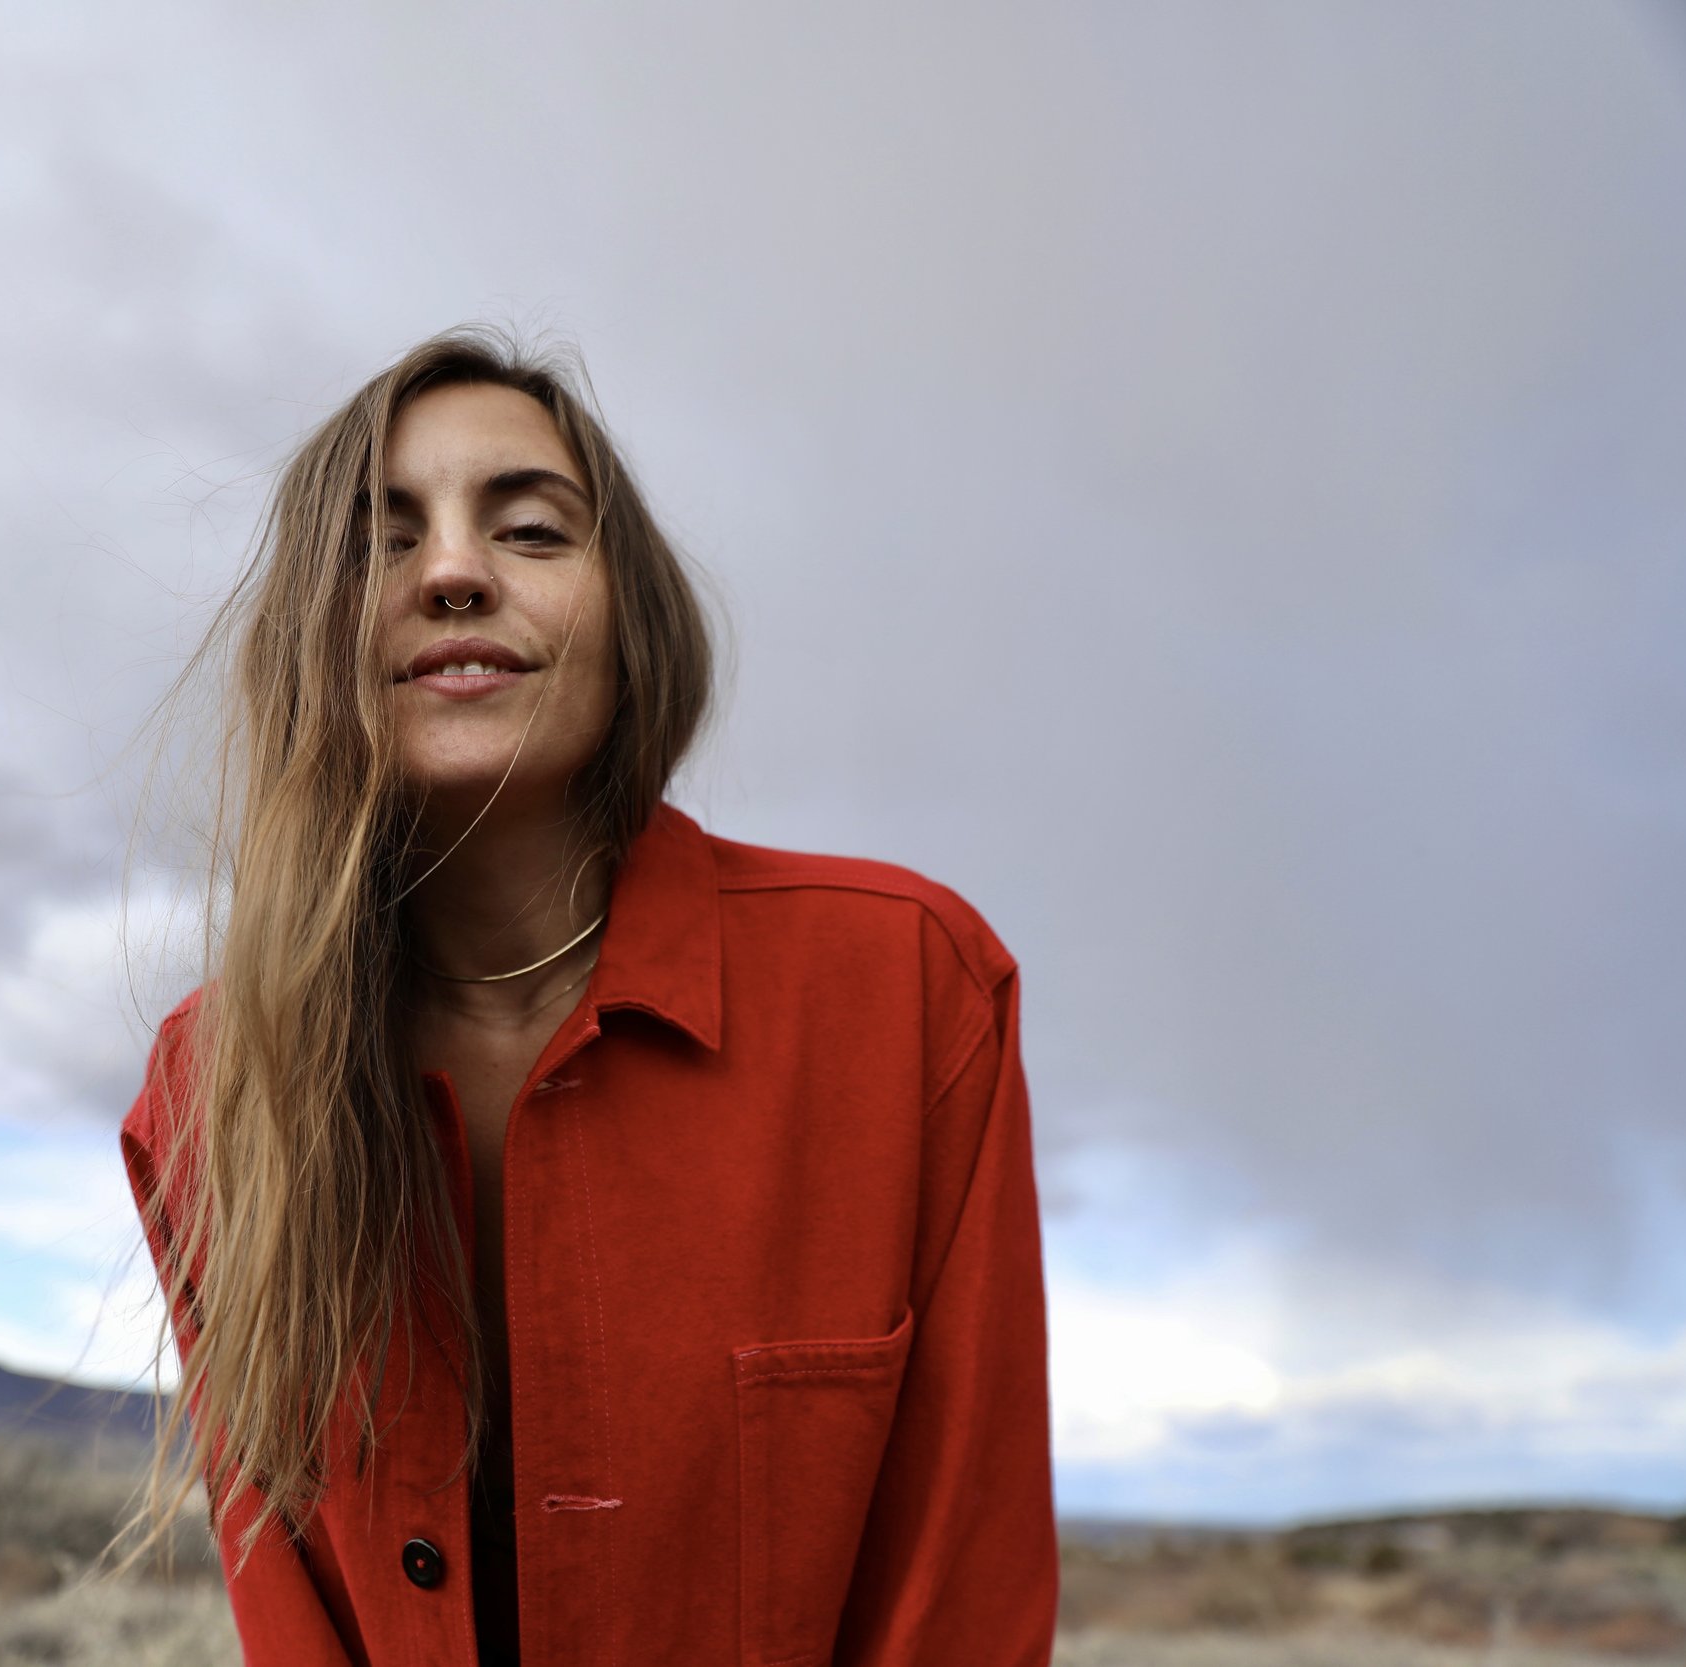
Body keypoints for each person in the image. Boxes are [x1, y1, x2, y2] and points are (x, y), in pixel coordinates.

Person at [113, 325, 1057, 1666]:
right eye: (378, 541)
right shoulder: (210, 1087)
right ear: (310, 645)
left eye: (535, 532)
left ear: (635, 621)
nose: (451, 572)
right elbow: (293, 1620)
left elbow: (960, 1595)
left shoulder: (906, 988)